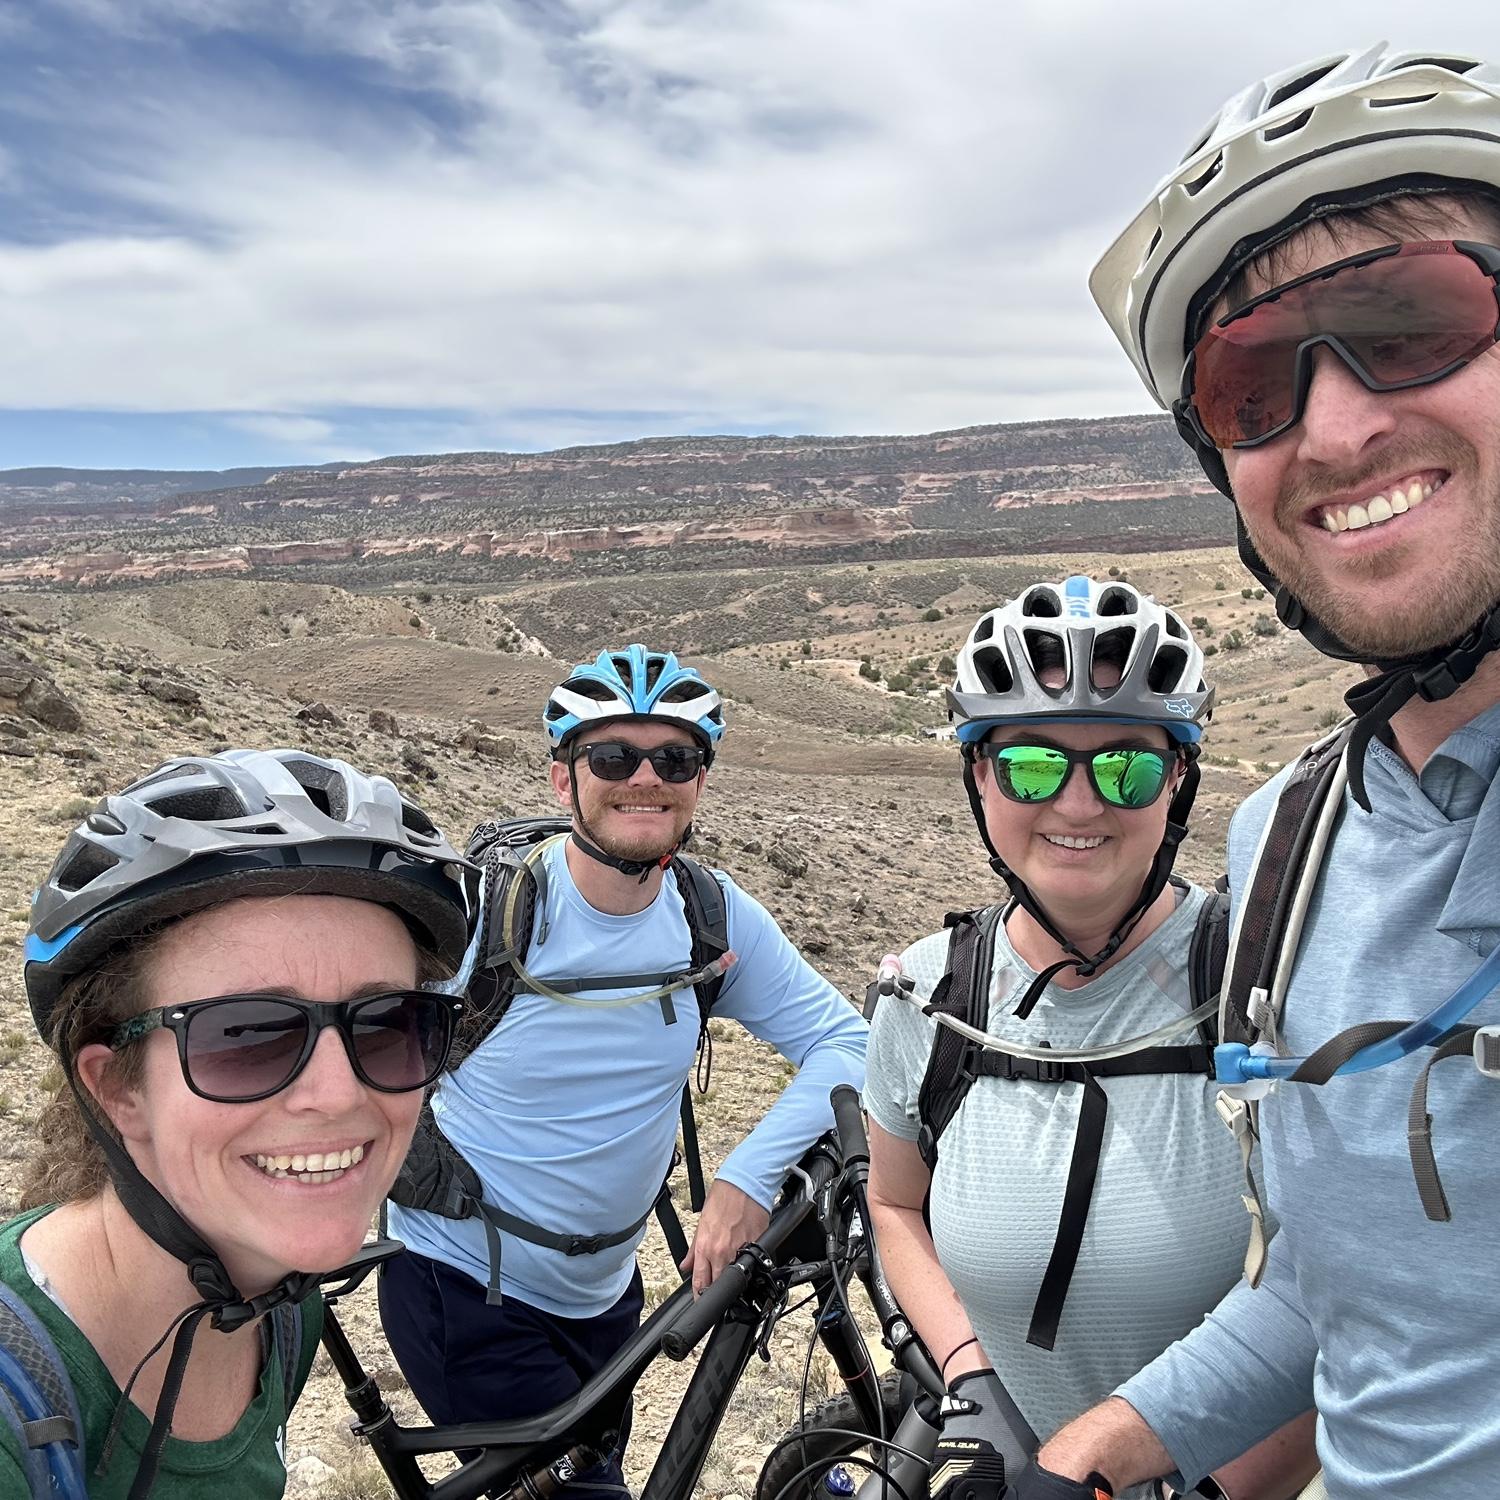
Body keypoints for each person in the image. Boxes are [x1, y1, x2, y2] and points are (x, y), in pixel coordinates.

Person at [1023, 46, 1500, 1500]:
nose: (1340, 426)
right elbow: (1347, 1296)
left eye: (1412, 319)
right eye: (1251, 385)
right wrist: (1105, 1446)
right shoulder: (1292, 841)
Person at [380, 644, 868, 1499]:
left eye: (673, 758)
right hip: (464, 1290)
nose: (644, 778)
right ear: (564, 780)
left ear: (700, 783)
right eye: (613, 756)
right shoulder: (485, 916)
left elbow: (847, 1042)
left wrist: (748, 1177)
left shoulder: (709, 917)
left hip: (607, 1297)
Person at [862, 578, 1313, 1500]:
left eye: (1126, 769)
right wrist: (968, 1378)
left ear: (1178, 779)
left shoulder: (1265, 985)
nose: (1076, 805)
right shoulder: (927, 995)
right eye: (1031, 765)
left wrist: (1218, 1490)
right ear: (978, 775)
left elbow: (1346, 1289)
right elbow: (896, 1206)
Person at [3, 748, 475, 1499]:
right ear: (116, 1089)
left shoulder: (281, 1314)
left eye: (389, 1023)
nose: (338, 1092)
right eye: (247, 1035)